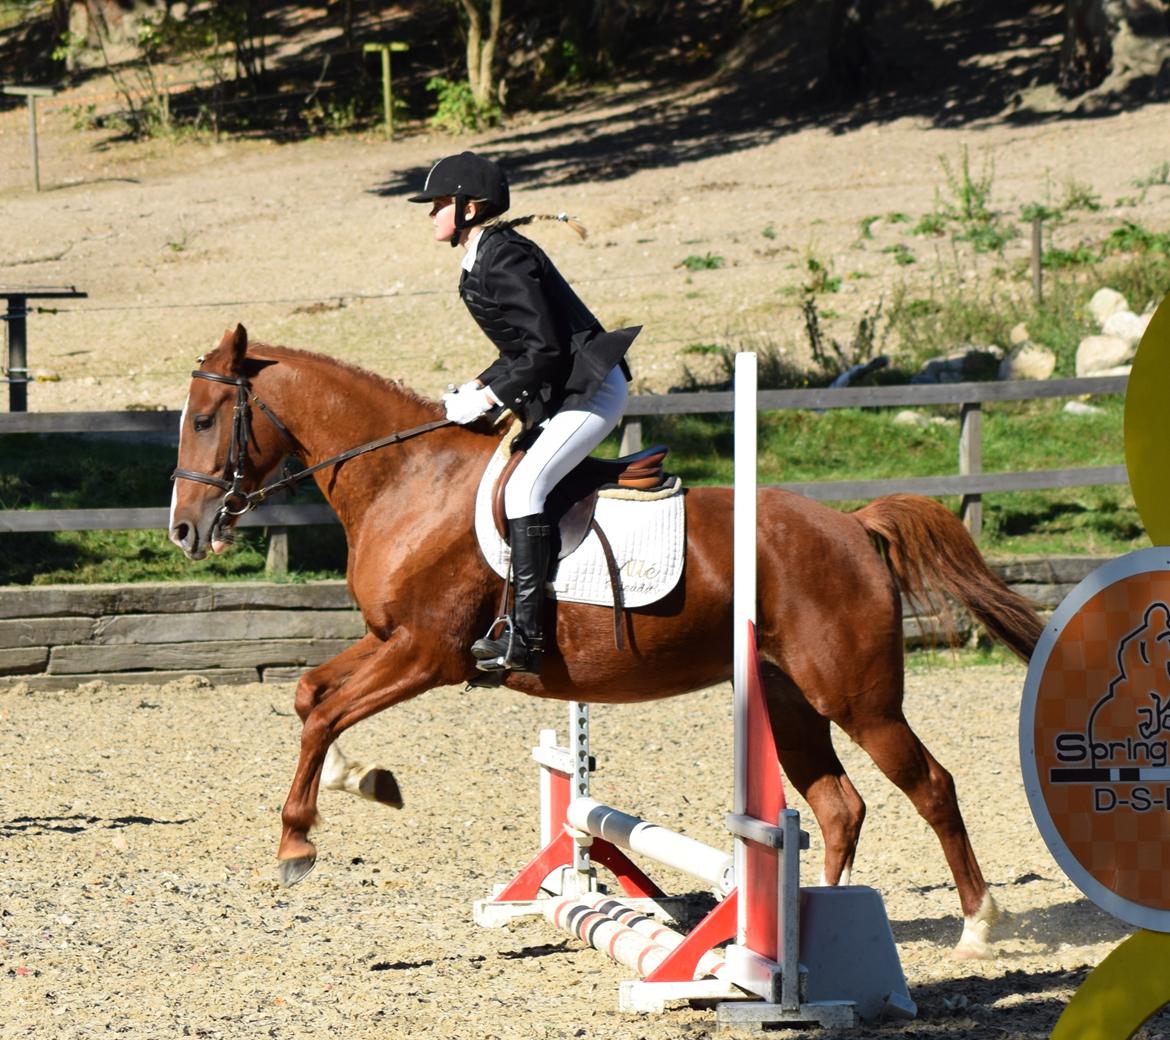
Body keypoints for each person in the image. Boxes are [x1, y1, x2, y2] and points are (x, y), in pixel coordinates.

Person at [409, 151, 639, 675]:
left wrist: (490, 399)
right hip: (559, 392)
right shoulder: (482, 257)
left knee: (523, 489)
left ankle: (527, 637)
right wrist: (479, 384)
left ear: (470, 208)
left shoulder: (504, 256)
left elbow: (546, 352)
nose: (432, 214)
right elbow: (521, 351)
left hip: (590, 391)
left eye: (441, 203)